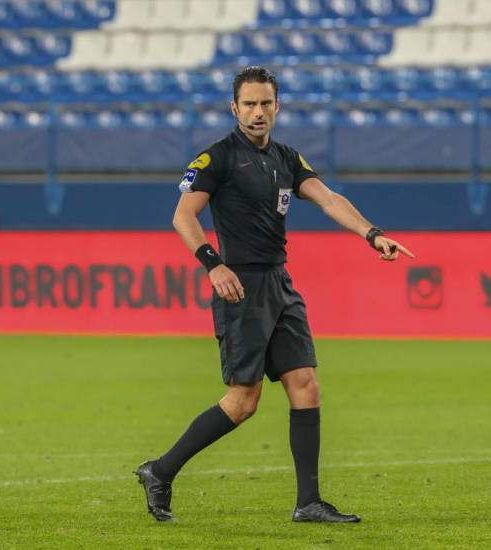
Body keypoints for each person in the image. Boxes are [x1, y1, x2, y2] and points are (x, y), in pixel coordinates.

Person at [134, 66, 413, 523]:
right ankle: (161, 471)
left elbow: (327, 198)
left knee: (305, 385)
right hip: (239, 285)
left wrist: (371, 233)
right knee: (243, 402)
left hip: (279, 284)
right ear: (234, 108)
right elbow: (183, 216)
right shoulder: (217, 158)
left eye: (265, 103)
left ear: (277, 106)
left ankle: (308, 503)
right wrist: (213, 263)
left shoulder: (287, 158)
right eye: (249, 104)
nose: (258, 112)